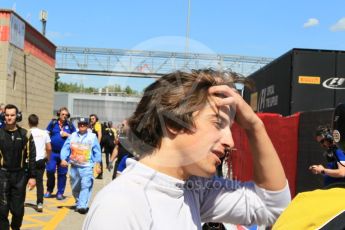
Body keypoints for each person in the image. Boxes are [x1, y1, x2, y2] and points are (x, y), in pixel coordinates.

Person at [83, 69, 291, 229]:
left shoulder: (192, 190)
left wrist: (255, 126)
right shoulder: (121, 205)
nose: (230, 142)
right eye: (218, 123)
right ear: (173, 123)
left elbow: (271, 206)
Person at [0, 104, 36, 230]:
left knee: (18, 210)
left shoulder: (25, 134)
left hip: (19, 176)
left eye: (12, 115)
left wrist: (32, 176)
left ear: (17, 116)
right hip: (2, 175)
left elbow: (32, 156)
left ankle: (16, 227)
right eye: (7, 115)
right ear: (4, 116)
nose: (9, 118)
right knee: (2, 209)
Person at [60, 117, 102, 214]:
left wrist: (98, 164)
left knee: (85, 185)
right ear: (78, 125)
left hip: (87, 166)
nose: (82, 125)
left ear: (87, 125)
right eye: (80, 124)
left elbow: (97, 151)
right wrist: (63, 159)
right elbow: (66, 148)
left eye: (84, 124)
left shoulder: (92, 137)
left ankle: (82, 206)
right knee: (75, 187)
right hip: (74, 167)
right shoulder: (72, 136)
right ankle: (79, 202)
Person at [45, 107, 76, 200]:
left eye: (66, 115)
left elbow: (76, 137)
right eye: (62, 114)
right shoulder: (53, 123)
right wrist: (46, 149)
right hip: (53, 153)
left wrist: (67, 135)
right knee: (50, 170)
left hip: (65, 155)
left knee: (62, 174)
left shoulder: (70, 125)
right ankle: (49, 190)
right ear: (59, 114)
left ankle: (60, 193)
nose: (64, 116)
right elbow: (46, 134)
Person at [28, 114, 52, 212]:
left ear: (29, 123)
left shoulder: (27, 133)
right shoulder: (44, 133)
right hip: (40, 161)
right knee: (39, 183)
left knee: (23, 181)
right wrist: (48, 158)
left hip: (29, 161)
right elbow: (49, 148)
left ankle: (20, 202)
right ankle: (40, 203)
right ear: (37, 122)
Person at [89, 114, 103, 179]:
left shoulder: (97, 124)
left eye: (93, 118)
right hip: (93, 144)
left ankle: (100, 173)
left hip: (96, 144)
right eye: (91, 119)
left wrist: (98, 144)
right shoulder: (92, 125)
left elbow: (99, 135)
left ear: (96, 119)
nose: (91, 120)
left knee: (98, 158)